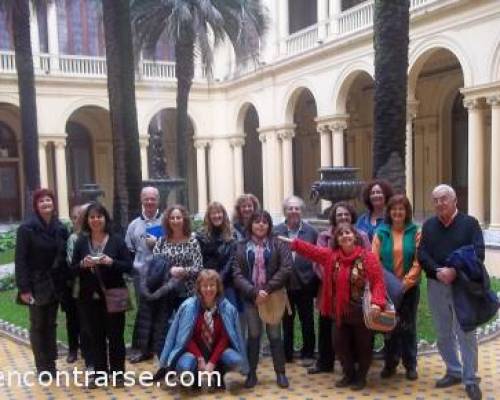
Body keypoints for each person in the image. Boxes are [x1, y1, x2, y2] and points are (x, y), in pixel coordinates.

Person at [279, 223, 386, 390]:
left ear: (355, 236)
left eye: (348, 232)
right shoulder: (331, 256)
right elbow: (312, 251)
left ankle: (361, 377)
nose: (345, 236)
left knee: (363, 346)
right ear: (336, 239)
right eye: (341, 234)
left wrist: (378, 303)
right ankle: (348, 374)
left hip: (362, 312)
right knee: (339, 345)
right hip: (339, 312)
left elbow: (378, 282)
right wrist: (294, 243)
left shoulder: (368, 257)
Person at [417, 184, 484, 400]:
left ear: (455, 200)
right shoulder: (428, 226)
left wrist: (454, 271)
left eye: (443, 199)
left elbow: (478, 253)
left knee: (466, 332)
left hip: (462, 285)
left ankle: (470, 379)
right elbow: (422, 253)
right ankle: (453, 370)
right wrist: (437, 271)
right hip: (437, 285)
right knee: (443, 332)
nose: (439, 203)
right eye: (435, 200)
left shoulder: (470, 224)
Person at [71, 202, 132, 385]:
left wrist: (111, 262)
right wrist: (82, 264)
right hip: (89, 296)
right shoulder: (81, 241)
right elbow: (71, 269)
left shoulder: (117, 240)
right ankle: (99, 373)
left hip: (115, 293)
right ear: (87, 220)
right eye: (92, 217)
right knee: (95, 335)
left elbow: (129, 266)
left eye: (99, 216)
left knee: (116, 335)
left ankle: (118, 373)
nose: (96, 220)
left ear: (105, 218)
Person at [155, 270, 248, 390]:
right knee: (186, 366)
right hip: (192, 352)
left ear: (218, 287)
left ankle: (218, 373)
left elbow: (224, 339)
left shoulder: (227, 308)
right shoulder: (188, 307)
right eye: (205, 286)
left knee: (235, 359)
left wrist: (212, 362)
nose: (208, 289)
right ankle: (192, 376)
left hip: (216, 351)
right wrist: (200, 358)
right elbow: (186, 338)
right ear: (199, 287)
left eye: (212, 285)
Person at [308, 201, 370, 375]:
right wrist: (331, 280)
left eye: (346, 214)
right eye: (339, 215)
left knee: (353, 326)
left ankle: (355, 364)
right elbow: (318, 261)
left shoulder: (362, 235)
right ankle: (325, 362)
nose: (343, 217)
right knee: (327, 326)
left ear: (352, 217)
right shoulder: (324, 237)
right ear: (334, 218)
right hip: (328, 290)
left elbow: (368, 259)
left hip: (355, 292)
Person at [232, 210, 292, 388]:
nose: (260, 225)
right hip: (251, 298)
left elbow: (286, 267)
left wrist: (266, 290)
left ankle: (280, 373)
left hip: (273, 296)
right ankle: (251, 373)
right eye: (257, 221)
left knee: (275, 335)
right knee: (254, 335)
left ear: (269, 225)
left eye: (264, 222)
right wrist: (254, 292)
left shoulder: (278, 244)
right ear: (250, 224)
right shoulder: (240, 246)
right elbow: (236, 273)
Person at [15, 189, 69, 380]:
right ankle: (42, 366)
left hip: (55, 284)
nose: (46, 203)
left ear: (53, 203)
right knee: (38, 325)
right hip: (36, 284)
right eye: (41, 201)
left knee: (51, 324)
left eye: (49, 200)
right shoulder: (26, 228)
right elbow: (20, 260)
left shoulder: (60, 227)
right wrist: (24, 288)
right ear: (36, 205)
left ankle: (51, 363)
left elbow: (64, 256)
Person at [372, 194, 421, 381]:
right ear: (389, 212)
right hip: (386, 288)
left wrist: (405, 283)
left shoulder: (415, 231)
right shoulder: (381, 232)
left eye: (401, 209)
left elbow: (419, 260)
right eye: (394, 209)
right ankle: (390, 363)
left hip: (409, 289)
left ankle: (410, 364)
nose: (398, 212)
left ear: (407, 211)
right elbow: (374, 260)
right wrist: (387, 284)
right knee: (389, 326)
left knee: (408, 326)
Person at [274, 196, 318, 365]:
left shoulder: (311, 231)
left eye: (296, 208)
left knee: (307, 320)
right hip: (284, 286)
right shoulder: (277, 231)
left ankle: (308, 353)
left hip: (305, 283)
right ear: (285, 211)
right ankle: (287, 354)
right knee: (287, 321)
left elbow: (317, 254)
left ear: (301, 211)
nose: (293, 211)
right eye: (290, 208)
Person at [125, 186, 162, 363]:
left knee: (161, 311)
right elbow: (129, 250)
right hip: (142, 275)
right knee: (143, 312)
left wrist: (158, 244)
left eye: (152, 199)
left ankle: (158, 347)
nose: (149, 202)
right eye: (146, 199)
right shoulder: (134, 225)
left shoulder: (166, 222)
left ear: (158, 200)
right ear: (141, 200)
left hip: (162, 275)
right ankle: (142, 349)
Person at [153, 204, 203, 315]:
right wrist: (169, 271)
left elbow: (199, 267)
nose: (175, 221)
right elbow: (154, 265)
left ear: (184, 219)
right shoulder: (161, 242)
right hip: (165, 291)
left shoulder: (192, 242)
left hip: (188, 292)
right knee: (166, 327)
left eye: (178, 217)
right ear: (167, 221)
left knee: (186, 328)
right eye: (172, 218)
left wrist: (183, 271)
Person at [196, 202, 238, 308]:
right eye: (213, 213)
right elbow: (199, 259)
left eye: (219, 213)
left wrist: (219, 278)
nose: (216, 216)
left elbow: (232, 259)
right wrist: (210, 278)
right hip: (207, 284)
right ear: (208, 216)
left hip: (227, 283)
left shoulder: (232, 234)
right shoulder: (201, 235)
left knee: (229, 317)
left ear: (223, 215)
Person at [64, 204, 91, 366]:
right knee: (73, 318)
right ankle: (73, 349)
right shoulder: (74, 238)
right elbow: (70, 262)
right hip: (75, 285)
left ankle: (90, 351)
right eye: (76, 217)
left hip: (94, 285)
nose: (78, 220)